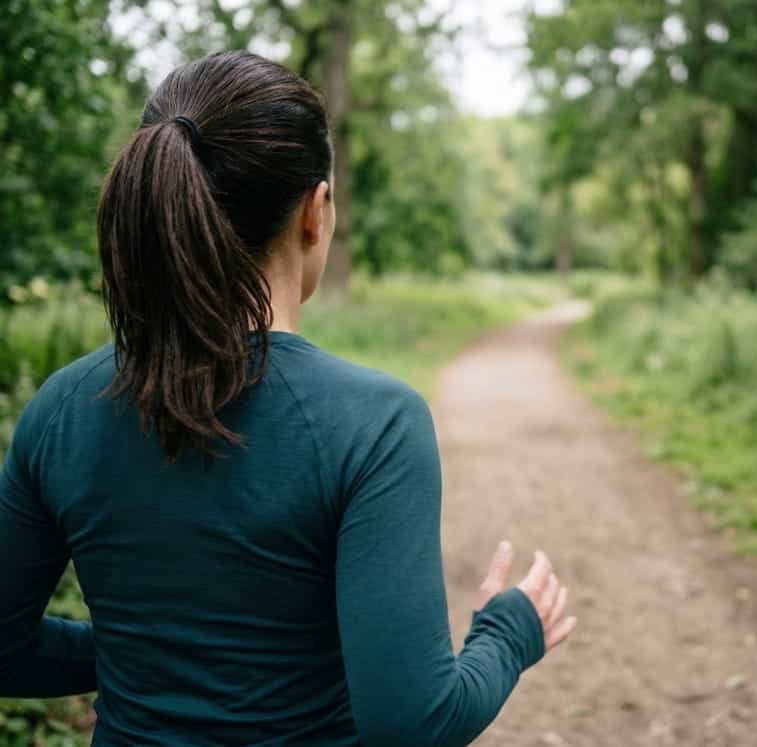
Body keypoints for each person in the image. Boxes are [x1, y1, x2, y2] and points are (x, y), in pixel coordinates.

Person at [0, 50, 576, 746]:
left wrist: (149, 645)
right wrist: (510, 631)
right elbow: (411, 721)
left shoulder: (61, 409)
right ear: (317, 211)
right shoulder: (374, 424)